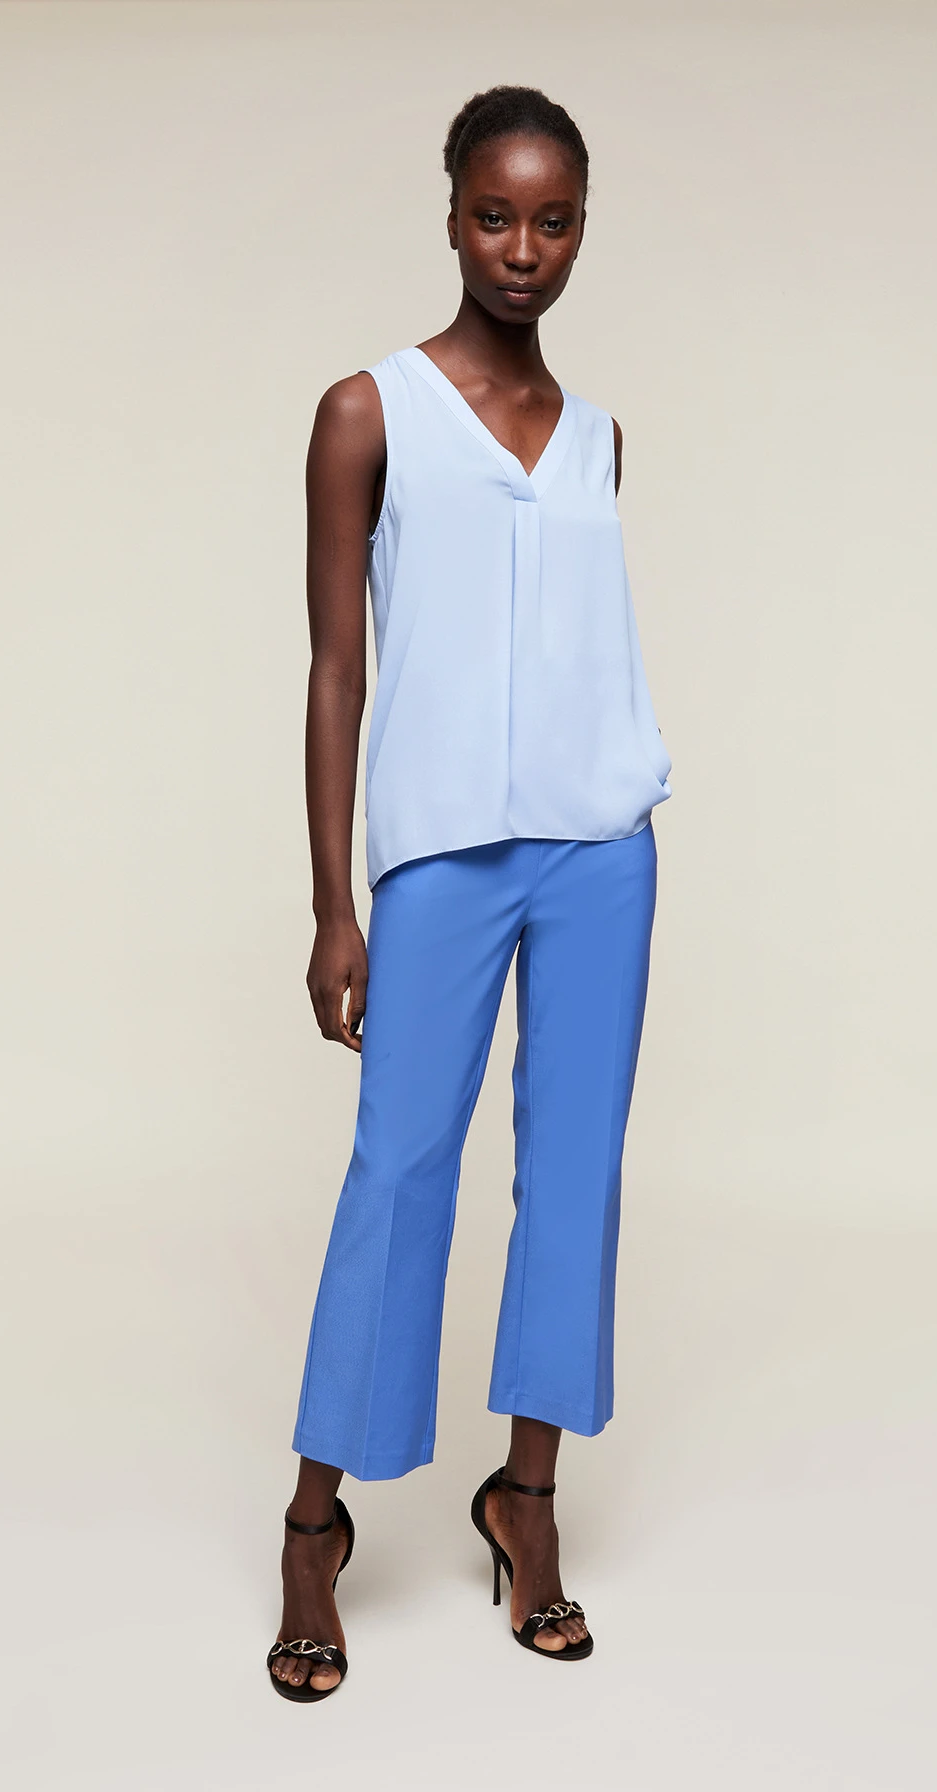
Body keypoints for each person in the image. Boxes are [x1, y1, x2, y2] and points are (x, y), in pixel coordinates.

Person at [268, 85, 672, 1702]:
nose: (522, 247)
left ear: (580, 231)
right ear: (449, 214)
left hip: (599, 851)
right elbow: (335, 668)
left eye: (552, 220)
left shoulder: (599, 439)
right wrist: (334, 902)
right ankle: (315, 1525)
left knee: (573, 1178)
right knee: (398, 1172)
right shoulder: (366, 410)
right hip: (439, 852)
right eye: (495, 214)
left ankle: (527, 1500)